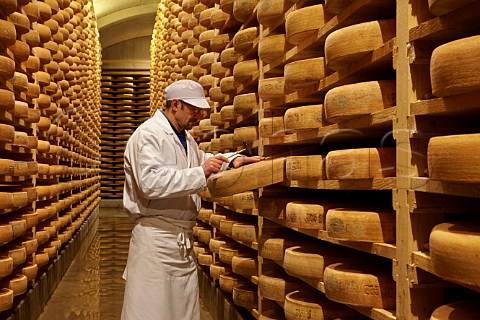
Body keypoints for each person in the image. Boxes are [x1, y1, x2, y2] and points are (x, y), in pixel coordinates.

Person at [121, 79, 263, 320]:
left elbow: (199, 159)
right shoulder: (148, 134)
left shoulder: (184, 138)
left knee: (181, 312)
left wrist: (231, 160)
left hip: (180, 243)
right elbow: (150, 183)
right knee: (151, 312)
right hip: (156, 242)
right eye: (193, 109)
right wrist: (202, 171)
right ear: (175, 104)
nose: (198, 115)